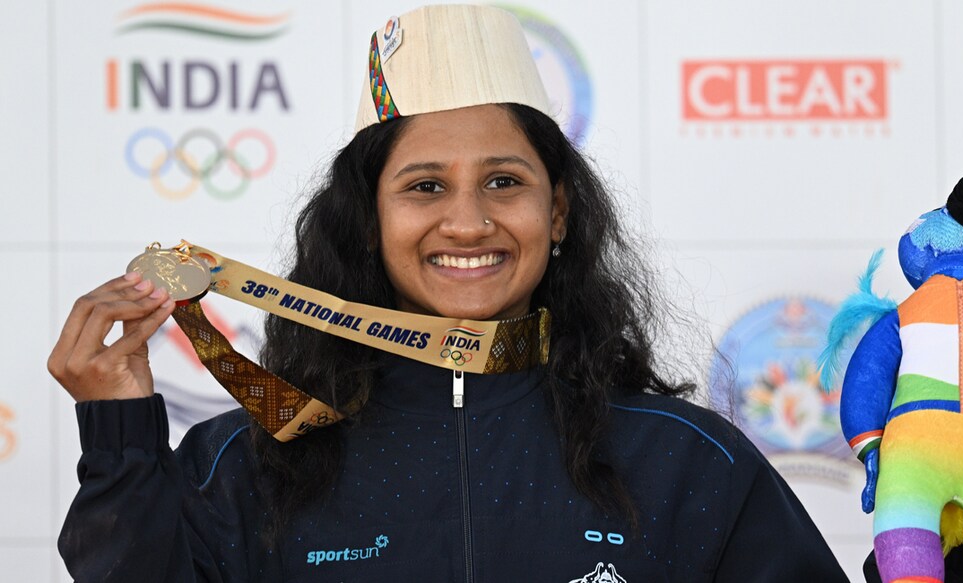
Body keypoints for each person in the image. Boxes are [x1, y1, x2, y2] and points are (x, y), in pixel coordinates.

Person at [48, 5, 850, 581]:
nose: (467, 222)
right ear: (368, 220)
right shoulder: (246, 462)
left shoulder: (685, 460)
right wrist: (119, 430)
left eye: (504, 181)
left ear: (557, 211)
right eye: (425, 186)